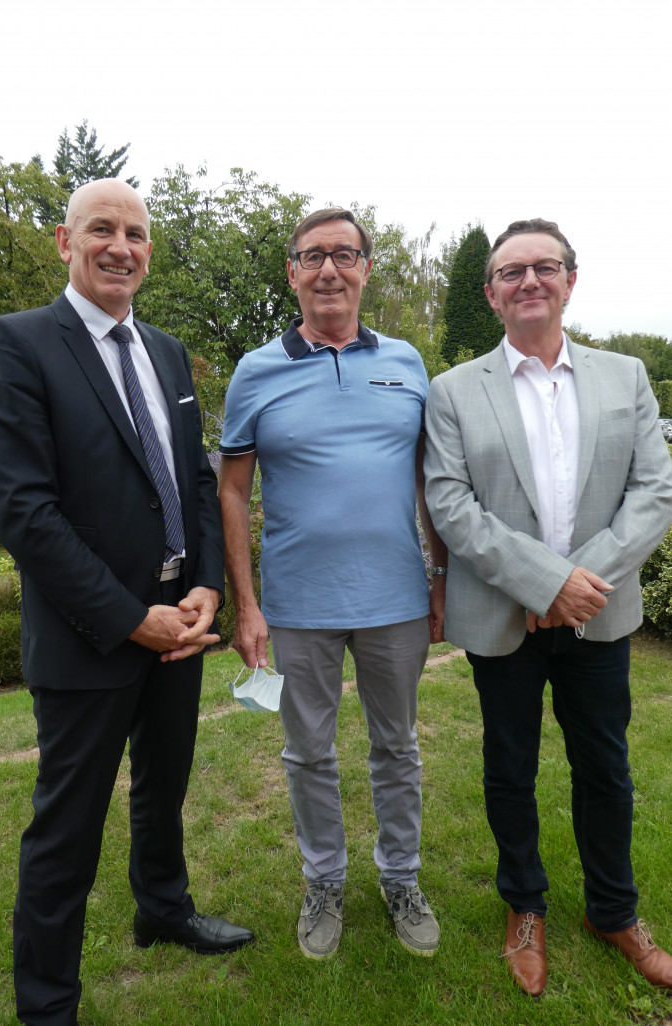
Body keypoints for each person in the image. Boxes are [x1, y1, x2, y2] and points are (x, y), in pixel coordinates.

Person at [0, 178, 254, 1026]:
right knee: (67, 831)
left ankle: (162, 910)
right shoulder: (15, 344)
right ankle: (48, 1002)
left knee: (163, 790)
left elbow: (198, 484)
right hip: (90, 636)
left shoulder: (166, 352)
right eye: (102, 229)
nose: (119, 246)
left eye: (134, 232)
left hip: (182, 627)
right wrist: (131, 617)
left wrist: (205, 585)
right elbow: (23, 509)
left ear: (149, 251)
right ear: (65, 241)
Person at [424, 218, 672, 997]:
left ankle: (614, 911)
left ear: (570, 280)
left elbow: (653, 490)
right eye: (511, 271)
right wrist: (540, 585)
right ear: (492, 293)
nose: (529, 280)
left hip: (597, 615)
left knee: (606, 767)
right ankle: (523, 906)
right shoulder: (454, 390)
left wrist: (573, 587)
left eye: (545, 267)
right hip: (504, 620)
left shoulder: (626, 376)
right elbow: (450, 503)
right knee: (510, 767)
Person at [218, 208, 447, 961]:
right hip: (298, 606)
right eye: (312, 256)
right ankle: (324, 883)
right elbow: (232, 492)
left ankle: (402, 879)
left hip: (396, 601)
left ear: (365, 268)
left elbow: (429, 479)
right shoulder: (257, 371)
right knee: (307, 753)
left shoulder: (410, 363)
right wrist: (247, 606)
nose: (328, 270)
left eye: (344, 255)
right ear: (291, 271)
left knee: (398, 748)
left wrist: (439, 577)